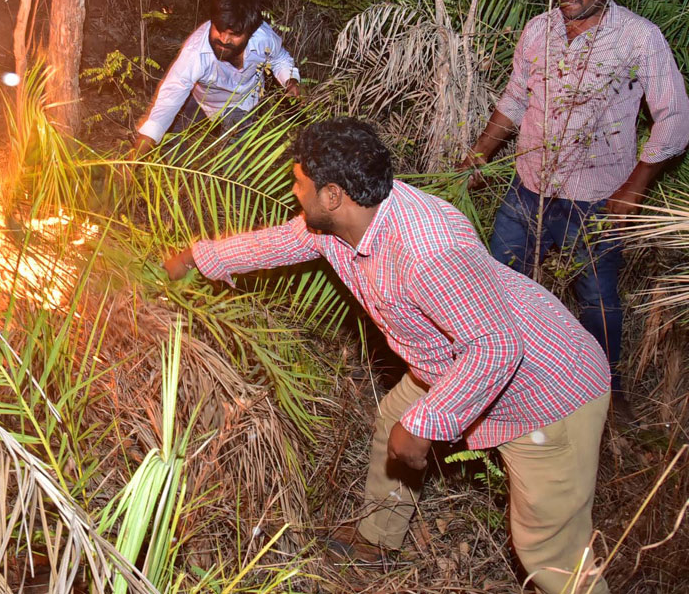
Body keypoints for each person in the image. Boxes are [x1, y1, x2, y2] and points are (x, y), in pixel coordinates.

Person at [164, 118, 611, 594]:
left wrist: (425, 425)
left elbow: (497, 348)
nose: (294, 192)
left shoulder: (427, 251)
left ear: (332, 194)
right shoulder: (343, 223)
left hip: (545, 393)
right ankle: (377, 540)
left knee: (549, 551)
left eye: (299, 183)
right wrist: (198, 257)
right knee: (392, 422)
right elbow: (279, 242)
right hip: (452, 363)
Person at [459, 0, 689, 419]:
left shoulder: (639, 38)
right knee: (500, 282)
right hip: (529, 188)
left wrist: (635, 188)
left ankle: (608, 392)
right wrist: (479, 155)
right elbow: (515, 99)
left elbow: (675, 118)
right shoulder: (538, 30)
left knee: (598, 301)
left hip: (597, 200)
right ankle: (504, 377)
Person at [133, 0, 300, 157]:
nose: (224, 39)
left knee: (233, 161)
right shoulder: (195, 53)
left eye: (234, 34)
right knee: (170, 135)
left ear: (250, 32)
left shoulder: (263, 38)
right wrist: (135, 157)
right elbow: (169, 99)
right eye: (219, 30)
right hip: (202, 97)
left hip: (242, 102)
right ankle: (181, 177)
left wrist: (290, 80)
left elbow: (279, 58)